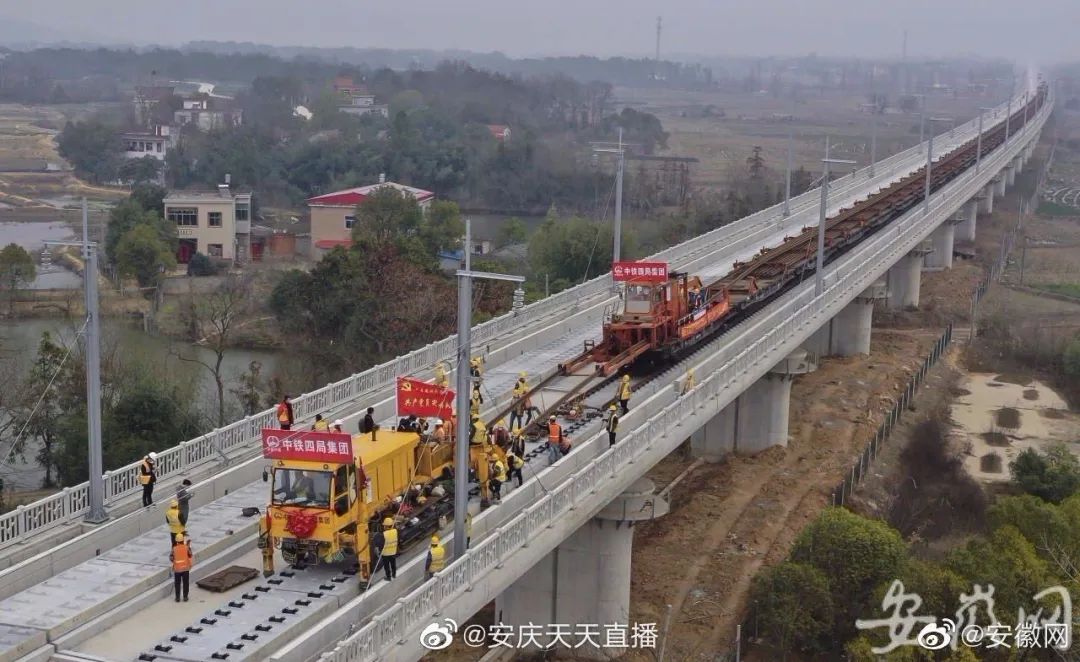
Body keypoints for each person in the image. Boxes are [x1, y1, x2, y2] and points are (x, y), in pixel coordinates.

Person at [170, 533, 194, 602]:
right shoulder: (186, 547)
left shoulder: (174, 549)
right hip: (185, 569)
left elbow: (171, 558)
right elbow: (190, 555)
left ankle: (177, 598)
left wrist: (175, 561)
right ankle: (185, 597)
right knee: (185, 583)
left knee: (177, 584)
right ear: (183, 540)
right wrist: (188, 546)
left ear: (176, 541)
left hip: (177, 569)